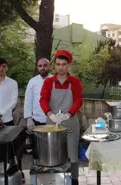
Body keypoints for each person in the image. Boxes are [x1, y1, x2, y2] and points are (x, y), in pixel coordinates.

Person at [39, 50, 83, 185]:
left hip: (70, 122)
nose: (61, 67)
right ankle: (55, 179)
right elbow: (43, 100)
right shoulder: (48, 82)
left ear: (68, 65)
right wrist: (50, 114)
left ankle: (74, 179)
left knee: (73, 153)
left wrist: (68, 114)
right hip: (52, 123)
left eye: (64, 64)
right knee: (52, 152)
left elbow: (78, 100)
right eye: (58, 64)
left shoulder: (74, 82)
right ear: (54, 65)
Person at [24, 58, 52, 129]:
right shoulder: (32, 81)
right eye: (40, 66)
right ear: (37, 67)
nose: (42, 68)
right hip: (36, 120)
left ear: (50, 66)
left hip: (52, 120)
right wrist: (28, 118)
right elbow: (28, 100)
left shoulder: (55, 80)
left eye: (45, 65)